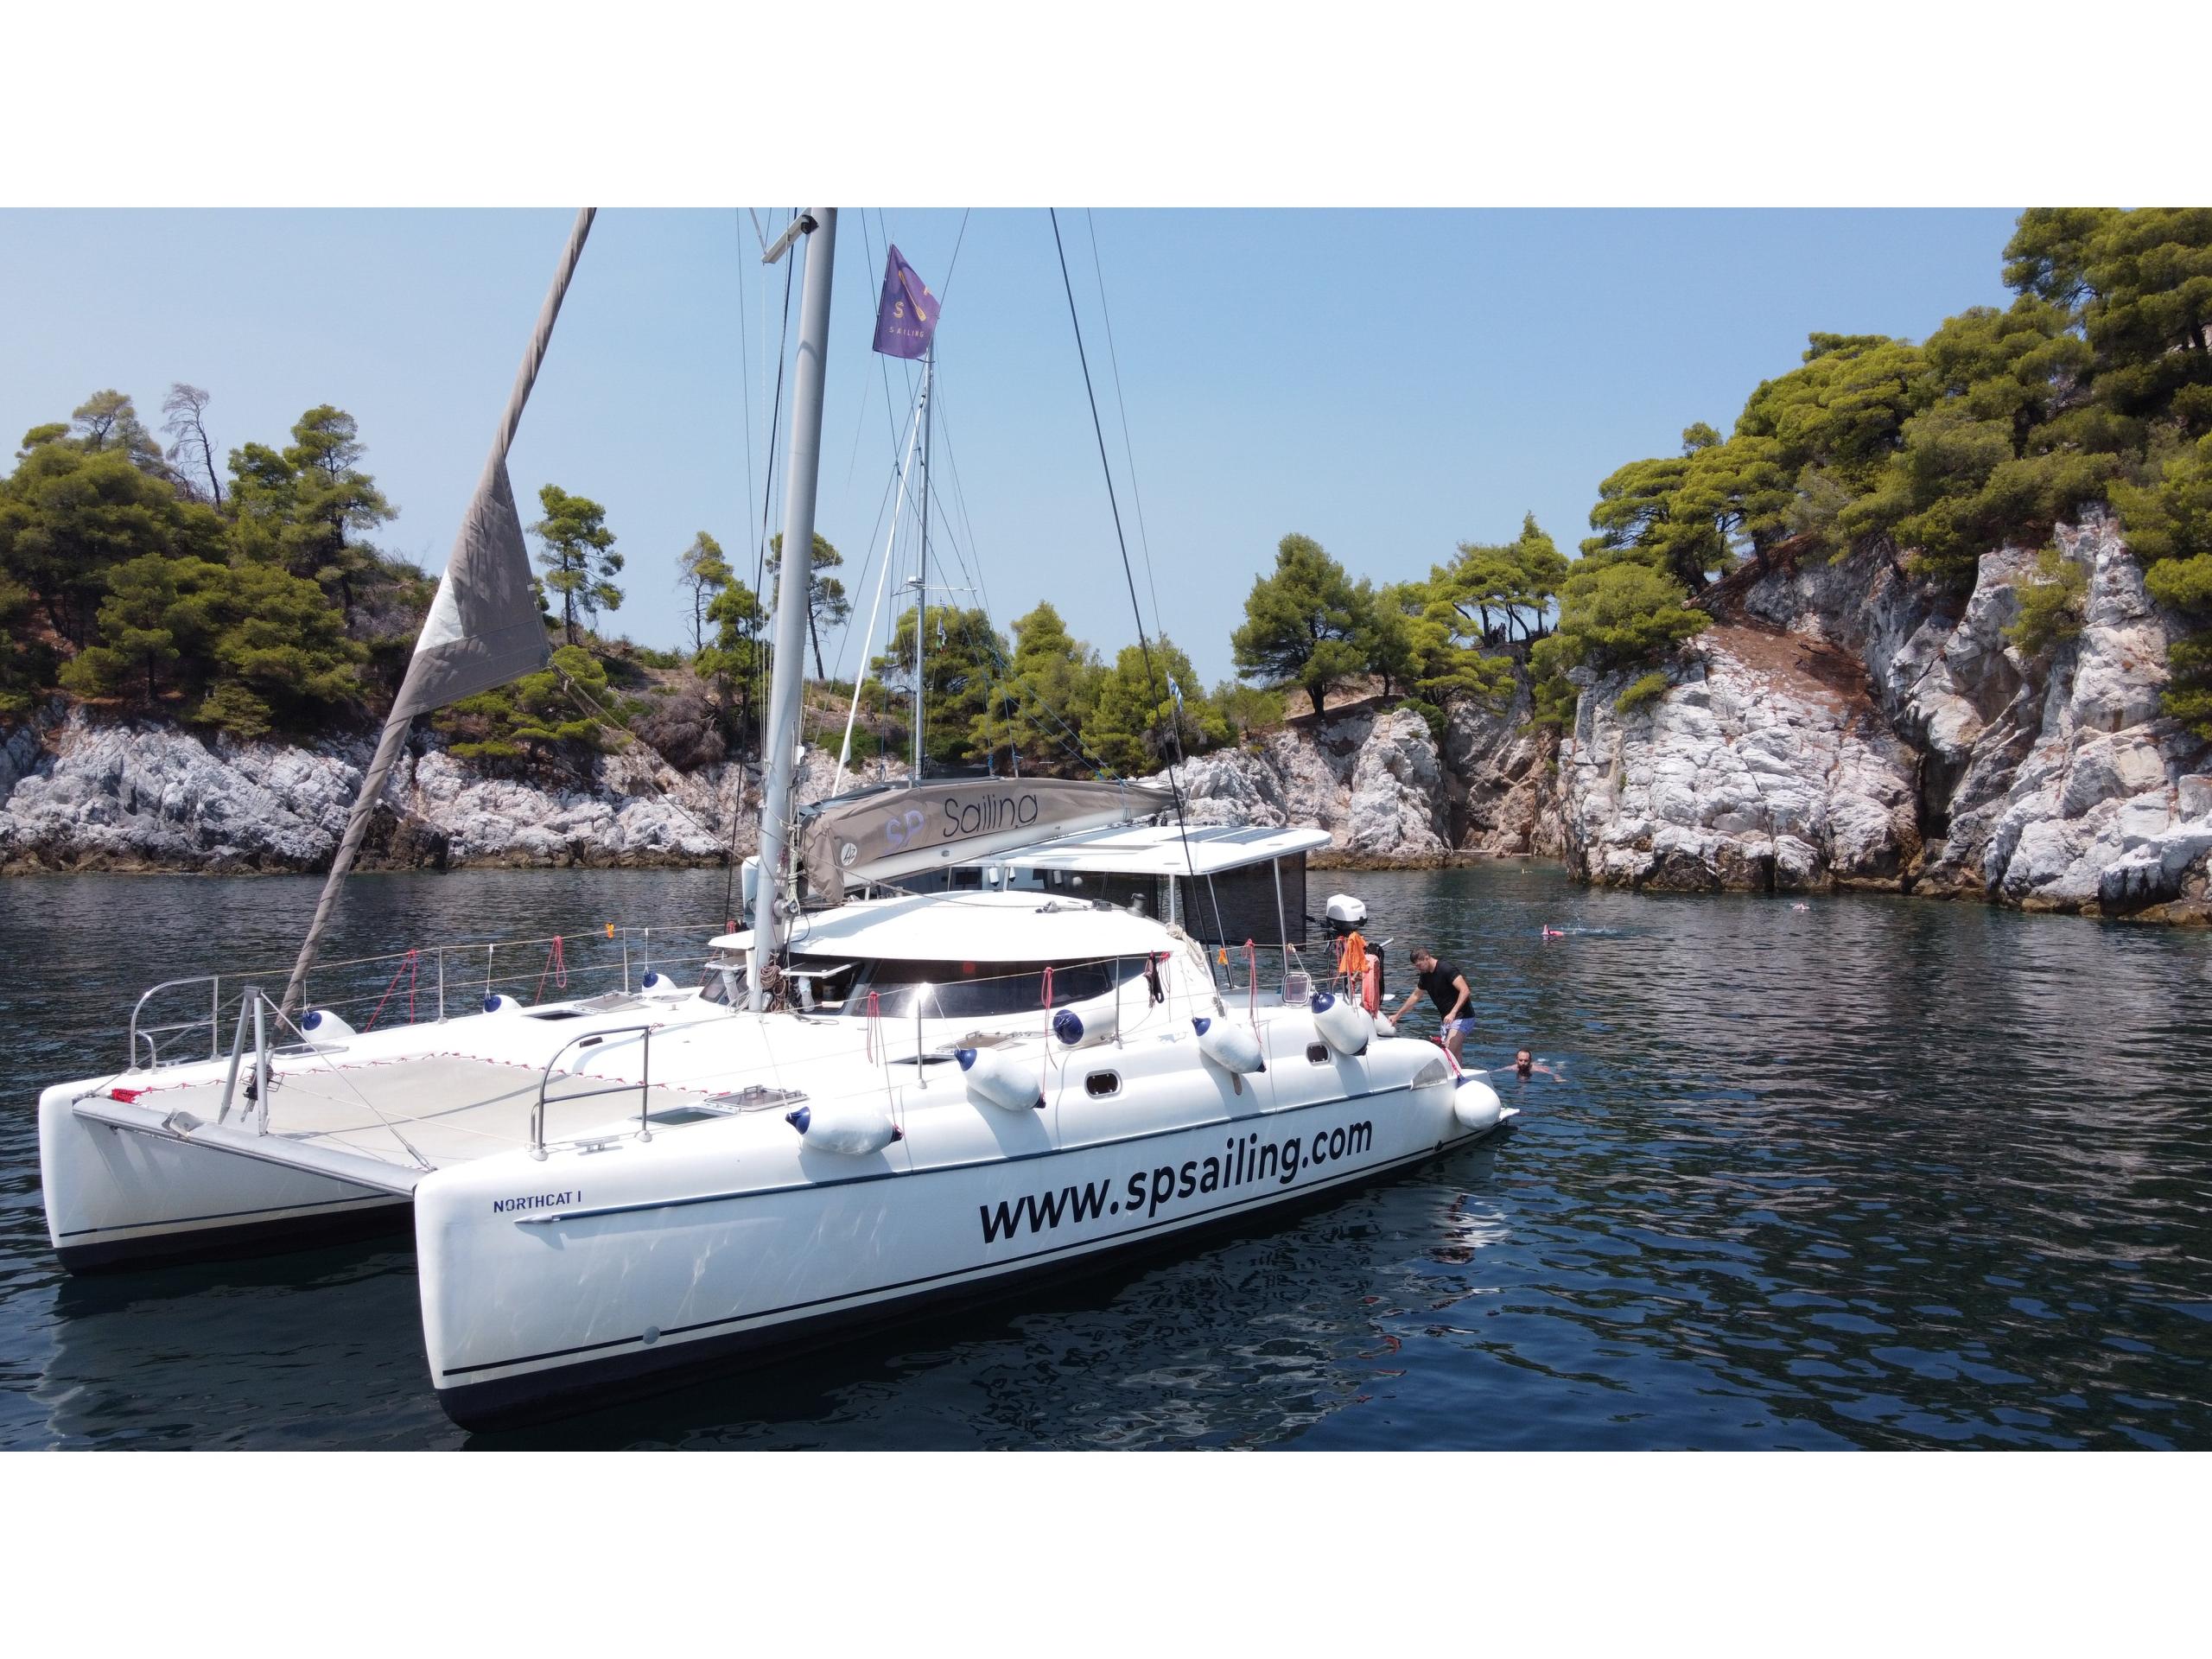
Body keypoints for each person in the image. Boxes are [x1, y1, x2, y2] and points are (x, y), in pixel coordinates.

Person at [1395, 946, 1474, 1063]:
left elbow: (1465, 990)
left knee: (1447, 1055)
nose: (1418, 968)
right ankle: (1458, 1073)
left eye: (1419, 965)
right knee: (1455, 1058)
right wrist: (1397, 1015)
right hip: (1446, 1020)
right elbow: (1416, 996)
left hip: (1462, 1017)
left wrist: (1453, 1013)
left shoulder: (1446, 969)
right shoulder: (1425, 974)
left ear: (1427, 958)